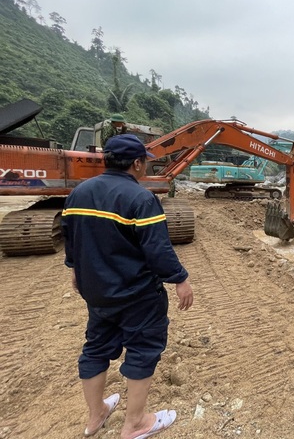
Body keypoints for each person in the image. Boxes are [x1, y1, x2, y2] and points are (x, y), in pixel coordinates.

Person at [61, 134, 194, 439]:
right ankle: (135, 424)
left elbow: (72, 239)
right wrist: (180, 279)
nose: (146, 164)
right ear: (136, 163)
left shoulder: (78, 193)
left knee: (95, 347)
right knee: (143, 349)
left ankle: (96, 417)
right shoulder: (140, 198)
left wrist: (74, 270)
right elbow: (158, 250)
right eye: (146, 160)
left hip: (97, 293)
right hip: (137, 294)